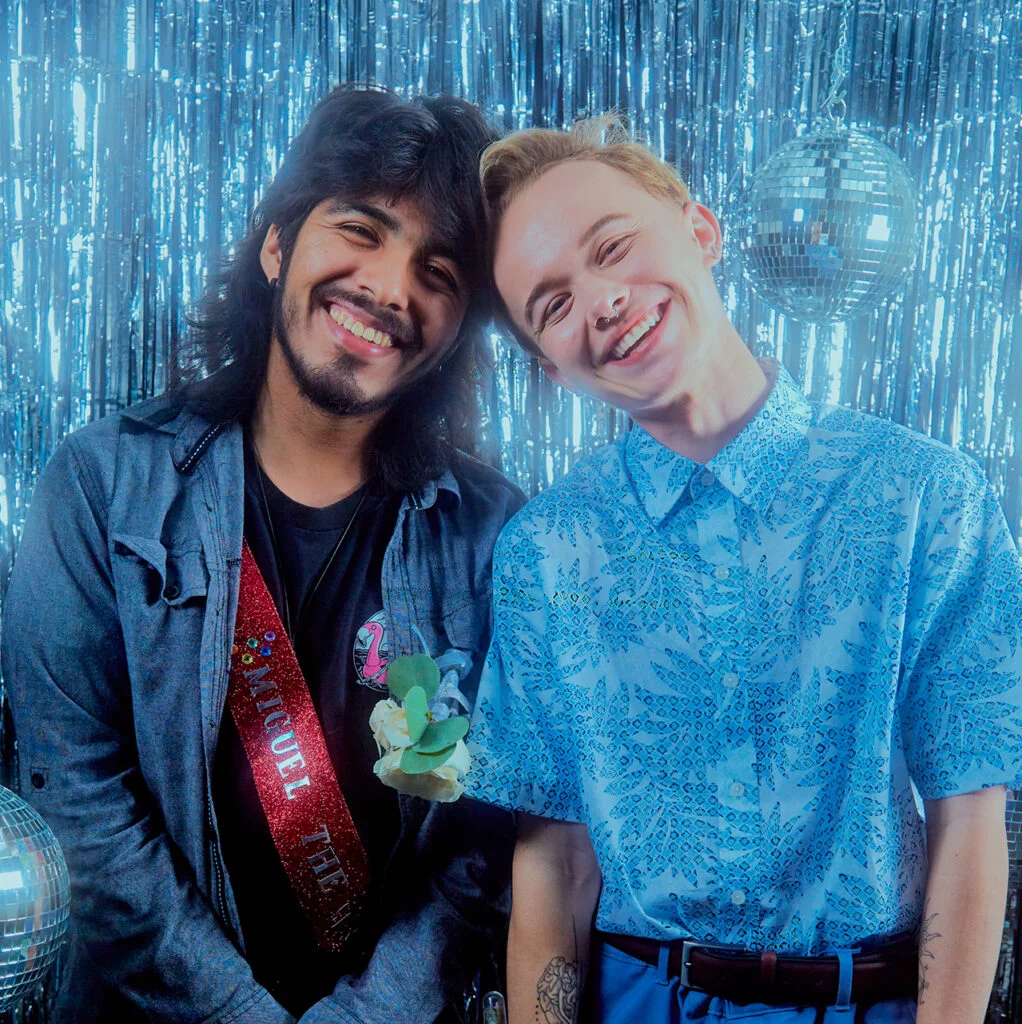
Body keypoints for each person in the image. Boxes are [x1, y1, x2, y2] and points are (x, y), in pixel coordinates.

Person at [465, 116, 1022, 1024]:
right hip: (639, 998)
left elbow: (970, 817)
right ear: (548, 365)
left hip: (873, 1000)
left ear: (701, 228)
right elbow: (555, 862)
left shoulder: (925, 496)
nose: (602, 302)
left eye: (614, 246)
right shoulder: (545, 551)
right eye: (552, 304)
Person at [3, 86, 524, 1023]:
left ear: (454, 335)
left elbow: (484, 844)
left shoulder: (493, 534)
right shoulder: (100, 485)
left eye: (438, 273)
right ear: (277, 244)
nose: (389, 288)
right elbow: (75, 799)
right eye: (360, 230)